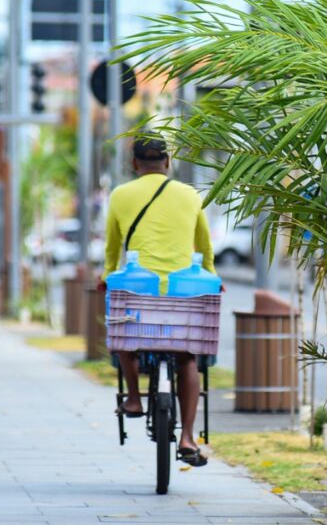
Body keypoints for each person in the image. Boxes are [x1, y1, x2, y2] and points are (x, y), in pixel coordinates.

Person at [100, 136, 216, 467]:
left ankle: (135, 399)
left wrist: (107, 276)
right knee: (187, 357)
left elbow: (112, 248)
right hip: (183, 291)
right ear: (167, 163)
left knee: (123, 329)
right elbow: (204, 246)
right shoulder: (190, 195)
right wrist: (210, 275)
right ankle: (188, 437)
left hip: (139, 288)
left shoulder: (120, 195)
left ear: (134, 164)